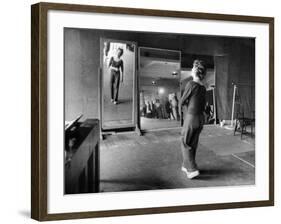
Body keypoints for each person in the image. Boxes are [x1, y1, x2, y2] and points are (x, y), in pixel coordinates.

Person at [179, 59, 207, 179]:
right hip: (200, 119)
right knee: (192, 144)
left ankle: (192, 169)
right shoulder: (203, 87)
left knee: (184, 142)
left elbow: (181, 101)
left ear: (195, 71)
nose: (190, 69)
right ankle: (186, 166)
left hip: (192, 118)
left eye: (192, 68)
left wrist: (187, 107)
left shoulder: (191, 84)